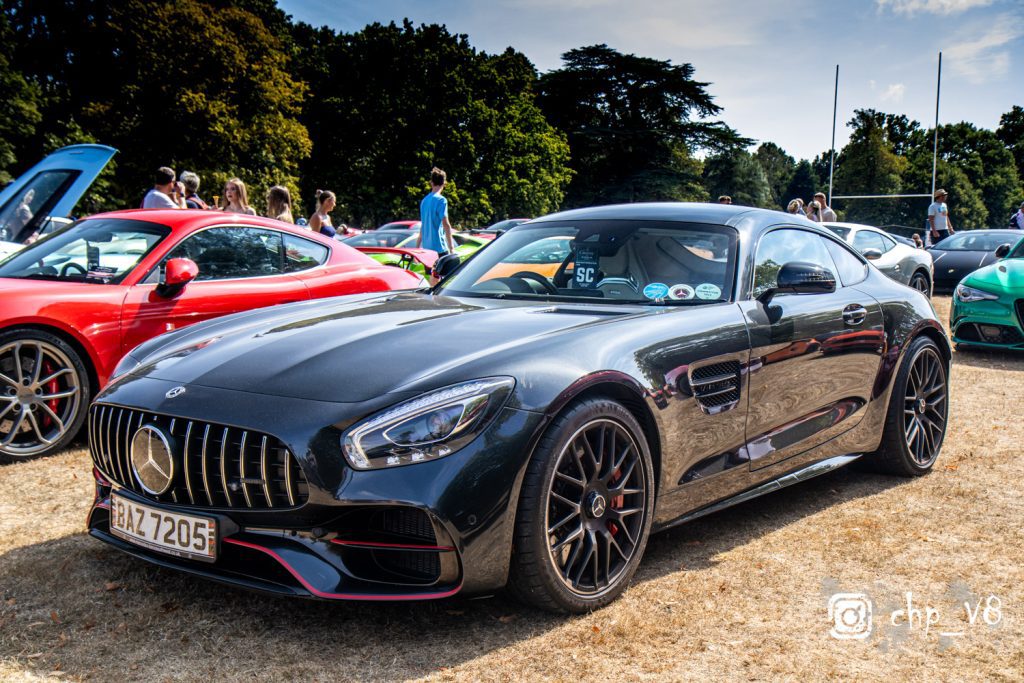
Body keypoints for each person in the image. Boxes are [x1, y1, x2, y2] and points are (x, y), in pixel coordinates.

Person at [416, 167, 455, 270]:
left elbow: (423, 226)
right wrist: (451, 248)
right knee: (445, 279)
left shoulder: (424, 201)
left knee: (432, 277)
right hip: (439, 247)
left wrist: (417, 247)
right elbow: (446, 224)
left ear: (431, 183)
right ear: (444, 183)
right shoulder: (441, 200)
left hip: (427, 249)